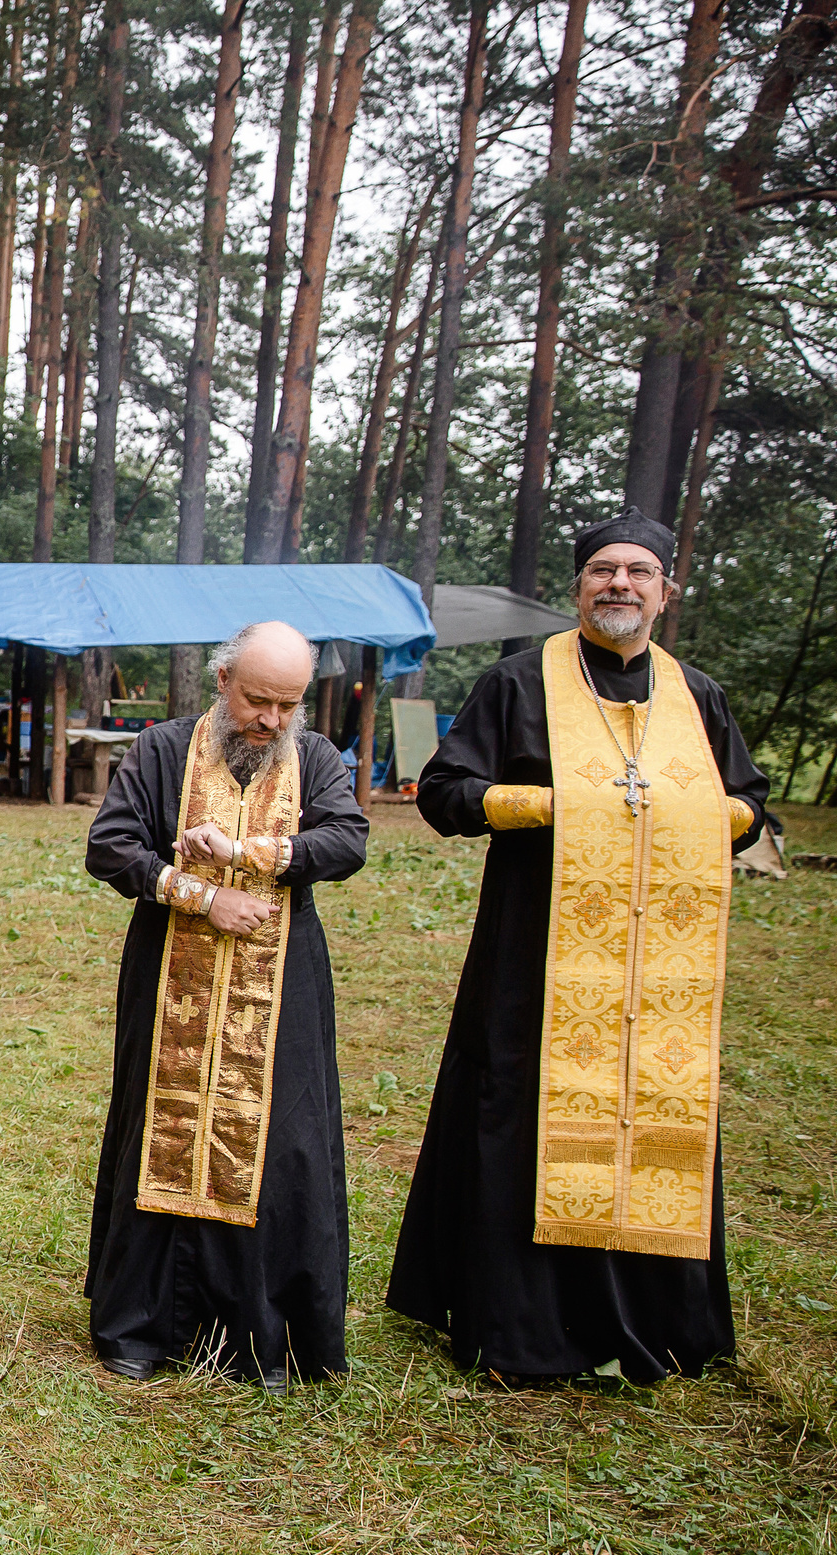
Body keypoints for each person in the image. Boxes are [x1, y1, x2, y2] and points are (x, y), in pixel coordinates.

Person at [389, 508, 770, 1382]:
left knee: (653, 1115)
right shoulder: (520, 682)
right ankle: (523, 1325)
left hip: (661, 971)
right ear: (578, 588)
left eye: (639, 571)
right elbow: (446, 793)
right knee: (522, 1112)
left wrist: (700, 817)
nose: (621, 585)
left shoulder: (697, 695)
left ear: (665, 592)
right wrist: (560, 805)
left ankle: (656, 1323)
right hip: (536, 957)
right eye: (603, 570)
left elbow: (749, 811)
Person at [82, 621, 369, 1390]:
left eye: (287, 704)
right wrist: (202, 896)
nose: (270, 720)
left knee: (281, 1141)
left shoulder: (310, 758)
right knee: (161, 1128)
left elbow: (348, 841)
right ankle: (142, 1324)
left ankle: (260, 1331)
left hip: (286, 981)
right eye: (257, 700)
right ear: (221, 681)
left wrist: (253, 856)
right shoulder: (163, 749)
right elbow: (109, 846)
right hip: (172, 966)